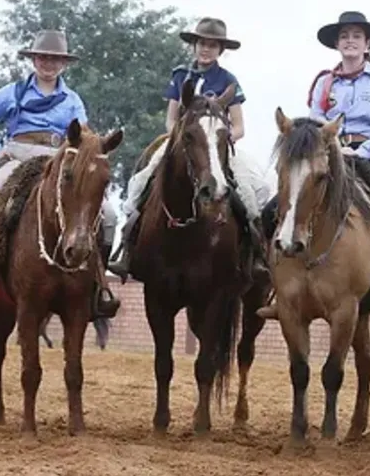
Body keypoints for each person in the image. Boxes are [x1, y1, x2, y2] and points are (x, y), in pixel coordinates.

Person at [258, 11, 370, 319]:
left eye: (356, 36)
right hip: (327, 155)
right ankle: (275, 286)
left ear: (367, 44)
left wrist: (361, 152)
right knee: (271, 211)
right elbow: (313, 124)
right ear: (337, 44)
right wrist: (329, 148)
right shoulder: (324, 82)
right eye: (344, 36)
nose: (350, 41)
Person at [0, 29, 120, 319]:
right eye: (43, 58)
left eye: (55, 59)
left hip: (58, 160)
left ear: (64, 64)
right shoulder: (14, 92)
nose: (48, 64)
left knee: (109, 215)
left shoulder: (72, 100)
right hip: (17, 156)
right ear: (34, 60)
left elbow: (84, 137)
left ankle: (98, 282)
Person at [107, 17, 271, 282]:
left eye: (212, 45)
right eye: (202, 44)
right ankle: (126, 248)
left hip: (218, 145)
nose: (206, 49)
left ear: (220, 50)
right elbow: (171, 119)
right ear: (194, 46)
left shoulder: (228, 80)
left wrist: (218, 139)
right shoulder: (180, 75)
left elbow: (239, 126)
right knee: (140, 181)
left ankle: (257, 254)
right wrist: (180, 138)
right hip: (181, 142)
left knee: (252, 192)